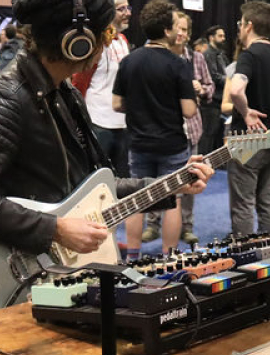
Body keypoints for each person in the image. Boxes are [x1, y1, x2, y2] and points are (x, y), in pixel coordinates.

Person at [0, 0, 213, 306]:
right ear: (77, 43)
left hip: (66, 270)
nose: (108, 44)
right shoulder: (7, 98)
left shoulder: (64, 93)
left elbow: (96, 187)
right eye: (106, 34)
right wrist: (55, 229)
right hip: (30, 272)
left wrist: (172, 184)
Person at [113, 1, 197, 255]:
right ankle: (168, 257)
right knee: (173, 199)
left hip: (139, 143)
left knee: (136, 200)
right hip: (172, 143)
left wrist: (139, 107)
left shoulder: (129, 61)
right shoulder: (178, 64)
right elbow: (189, 111)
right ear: (167, 30)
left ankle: (133, 256)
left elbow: (117, 104)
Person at [144, 11, 212, 246]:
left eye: (185, 29)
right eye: (178, 28)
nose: (181, 33)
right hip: (160, 129)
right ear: (168, 31)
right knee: (156, 179)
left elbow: (210, 87)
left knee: (190, 178)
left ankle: (187, 226)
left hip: (190, 130)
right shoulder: (154, 56)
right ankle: (152, 224)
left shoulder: (197, 59)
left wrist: (201, 89)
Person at [226, 1, 270, 236]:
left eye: (240, 23)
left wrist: (246, 112)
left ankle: (244, 251)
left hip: (247, 141)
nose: (239, 28)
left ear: (248, 25)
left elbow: (236, 90)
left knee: (243, 203)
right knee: (267, 199)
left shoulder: (249, 55)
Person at [73, 0, 131, 179]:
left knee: (120, 179)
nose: (128, 13)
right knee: (96, 178)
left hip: (122, 123)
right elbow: (79, 83)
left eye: (128, 8)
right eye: (121, 9)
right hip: (98, 122)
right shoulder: (96, 44)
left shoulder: (123, 41)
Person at [201, 25, 229, 154]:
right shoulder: (208, 54)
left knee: (216, 136)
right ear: (211, 38)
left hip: (219, 101)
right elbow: (214, 76)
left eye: (224, 35)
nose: (223, 38)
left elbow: (227, 71)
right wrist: (230, 82)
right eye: (220, 36)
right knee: (208, 135)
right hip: (211, 102)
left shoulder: (221, 54)